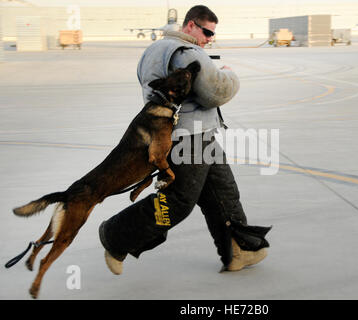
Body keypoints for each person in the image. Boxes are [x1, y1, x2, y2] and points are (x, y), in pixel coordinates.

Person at [98, 5, 271, 275]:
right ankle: (116, 235)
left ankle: (238, 250)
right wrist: (230, 73)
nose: (209, 38)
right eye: (206, 31)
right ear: (190, 26)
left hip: (197, 134)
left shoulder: (154, 49)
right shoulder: (185, 52)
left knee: (223, 194)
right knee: (177, 202)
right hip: (188, 139)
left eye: (212, 34)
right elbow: (216, 92)